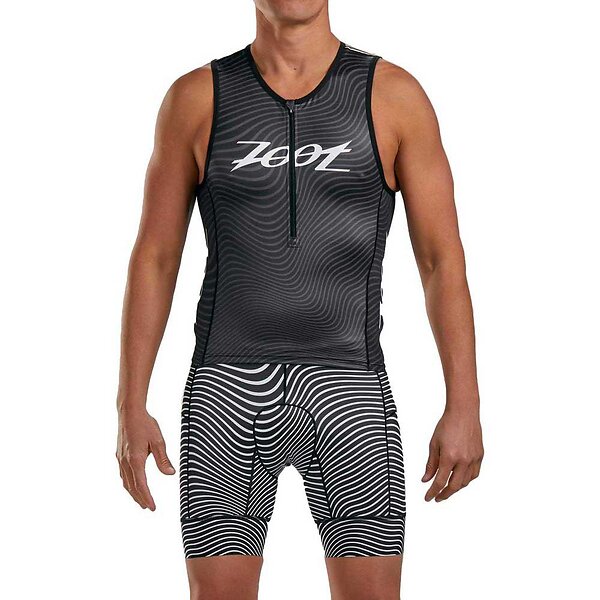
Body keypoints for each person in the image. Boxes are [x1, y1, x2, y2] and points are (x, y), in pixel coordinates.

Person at [115, 1, 484, 598]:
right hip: (226, 392)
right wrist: (130, 404)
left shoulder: (393, 96)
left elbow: (442, 261)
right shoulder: (197, 98)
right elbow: (155, 258)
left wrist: (464, 403)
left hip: (350, 392)